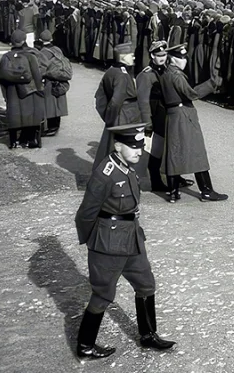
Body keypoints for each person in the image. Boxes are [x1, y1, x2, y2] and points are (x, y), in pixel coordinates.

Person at [74, 123, 176, 359]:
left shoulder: (127, 167)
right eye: (133, 147)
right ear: (118, 146)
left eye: (140, 146)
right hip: (108, 243)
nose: (139, 152)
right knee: (103, 294)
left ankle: (148, 335)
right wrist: (95, 241)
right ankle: (85, 345)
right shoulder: (105, 173)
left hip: (131, 238)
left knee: (146, 284)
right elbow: (86, 213)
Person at [159, 43, 227, 202]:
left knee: (174, 153)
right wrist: (211, 83)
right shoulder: (177, 76)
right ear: (171, 59)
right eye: (179, 57)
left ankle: (173, 192)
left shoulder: (166, 74)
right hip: (183, 114)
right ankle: (206, 190)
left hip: (173, 114)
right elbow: (192, 94)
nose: (183, 60)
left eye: (184, 57)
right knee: (197, 153)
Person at [94, 42, 142, 165]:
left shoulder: (112, 70)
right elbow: (116, 101)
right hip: (125, 116)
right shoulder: (122, 75)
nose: (134, 57)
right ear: (123, 56)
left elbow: (100, 95)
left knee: (111, 146)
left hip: (119, 114)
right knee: (123, 149)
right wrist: (111, 119)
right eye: (131, 55)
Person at [0, 29, 44, 148]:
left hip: (12, 91)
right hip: (29, 90)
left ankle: (13, 141)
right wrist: (40, 90)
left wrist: (5, 94)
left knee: (14, 117)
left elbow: (1, 79)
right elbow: (37, 76)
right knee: (31, 115)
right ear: (24, 40)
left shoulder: (6, 57)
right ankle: (31, 140)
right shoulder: (30, 56)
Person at [137, 40, 171, 191]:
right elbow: (143, 101)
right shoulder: (146, 75)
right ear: (152, 55)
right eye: (159, 55)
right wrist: (147, 122)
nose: (162, 57)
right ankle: (156, 181)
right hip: (155, 114)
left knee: (168, 147)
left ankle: (173, 176)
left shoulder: (167, 70)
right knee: (155, 150)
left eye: (164, 54)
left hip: (166, 113)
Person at [37, 30, 71, 136]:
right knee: (58, 104)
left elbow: (41, 69)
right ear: (51, 39)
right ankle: (56, 126)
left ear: (40, 40)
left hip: (50, 81)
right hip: (60, 80)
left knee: (50, 105)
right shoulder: (57, 49)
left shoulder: (43, 52)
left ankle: (51, 129)